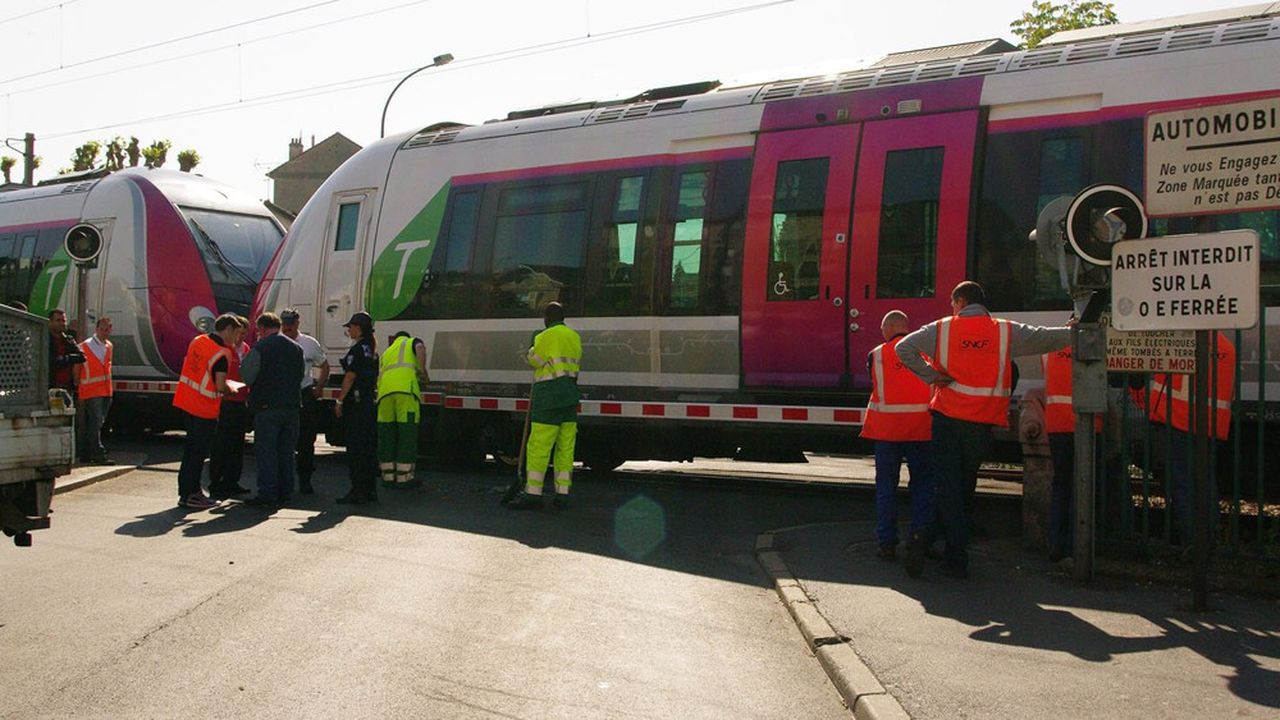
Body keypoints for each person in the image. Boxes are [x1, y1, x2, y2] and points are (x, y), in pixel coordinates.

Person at [896, 281, 1070, 579]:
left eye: (953, 304)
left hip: (946, 419)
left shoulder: (942, 329)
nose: (952, 309)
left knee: (948, 486)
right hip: (980, 424)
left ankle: (934, 540)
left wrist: (933, 376)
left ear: (960, 301)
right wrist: (1082, 332)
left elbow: (903, 348)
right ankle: (945, 549)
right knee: (962, 486)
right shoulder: (1004, 331)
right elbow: (1046, 340)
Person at [1148, 331, 1235, 540]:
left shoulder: (1183, 342)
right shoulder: (1226, 347)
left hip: (1181, 421)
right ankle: (1209, 538)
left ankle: (1194, 542)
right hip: (1210, 425)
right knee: (1205, 482)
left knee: (1183, 484)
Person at [861, 310, 934, 561]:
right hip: (921, 429)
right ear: (907, 327)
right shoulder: (926, 354)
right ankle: (919, 536)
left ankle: (886, 543)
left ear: (887, 329)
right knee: (923, 486)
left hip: (887, 431)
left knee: (886, 488)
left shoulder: (876, 355)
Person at [507, 302, 582, 511]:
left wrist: (532, 347)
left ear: (547, 317)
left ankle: (533, 494)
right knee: (565, 448)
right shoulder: (574, 337)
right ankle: (562, 494)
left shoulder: (544, 336)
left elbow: (534, 360)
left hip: (548, 397)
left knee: (539, 446)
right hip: (569, 396)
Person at [172, 314, 244, 509]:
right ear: (227, 329)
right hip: (204, 408)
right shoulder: (222, 353)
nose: (237, 338)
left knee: (190, 452)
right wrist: (232, 388)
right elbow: (220, 385)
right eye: (236, 333)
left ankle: (185, 492)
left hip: (186, 401)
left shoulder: (198, 340)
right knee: (198, 454)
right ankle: (192, 494)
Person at [240, 312, 305, 508]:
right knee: (286, 452)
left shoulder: (261, 347)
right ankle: (286, 492)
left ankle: (268, 494)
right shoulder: (296, 348)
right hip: (292, 407)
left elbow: (247, 376)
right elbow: (301, 375)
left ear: (262, 328)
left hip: (267, 407)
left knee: (267, 452)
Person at [280, 308, 329, 495]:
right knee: (284, 441)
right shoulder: (277, 341)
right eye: (284, 323)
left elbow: (324, 365)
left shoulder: (309, 343)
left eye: (291, 323)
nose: (287, 327)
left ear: (297, 323)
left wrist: (320, 387)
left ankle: (305, 480)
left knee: (306, 441)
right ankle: (285, 482)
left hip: (304, 394)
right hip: (283, 396)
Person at [334, 312, 379, 505]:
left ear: (358, 328)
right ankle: (369, 490)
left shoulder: (358, 350)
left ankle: (357, 490)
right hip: (369, 403)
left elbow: (350, 377)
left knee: (356, 450)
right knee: (368, 449)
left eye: (350, 327)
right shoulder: (372, 349)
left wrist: (340, 401)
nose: (348, 330)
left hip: (357, 405)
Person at [207, 315, 251, 499]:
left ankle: (232, 482)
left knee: (237, 445)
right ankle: (216, 482)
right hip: (224, 401)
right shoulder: (223, 349)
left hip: (240, 401)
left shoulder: (246, 349)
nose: (240, 337)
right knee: (220, 444)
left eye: (244, 334)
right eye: (239, 333)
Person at [376, 331, 427, 488]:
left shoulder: (387, 351)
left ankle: (388, 476)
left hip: (384, 395)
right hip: (405, 392)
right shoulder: (411, 341)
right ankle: (404, 478)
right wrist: (422, 371)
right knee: (407, 434)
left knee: (386, 435)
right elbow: (420, 348)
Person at [76, 316, 114, 464]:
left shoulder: (109, 346)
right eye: (102, 329)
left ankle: (86, 453)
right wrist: (77, 384)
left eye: (107, 329)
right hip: (91, 390)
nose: (105, 332)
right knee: (96, 422)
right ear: (96, 329)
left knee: (97, 423)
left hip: (106, 390)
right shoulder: (85, 346)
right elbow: (77, 368)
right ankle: (98, 454)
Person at [47, 308, 85, 394]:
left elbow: (82, 357)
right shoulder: (45, 339)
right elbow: (52, 362)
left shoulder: (68, 340)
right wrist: (67, 359)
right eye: (58, 320)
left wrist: (67, 358)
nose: (62, 323)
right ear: (50, 322)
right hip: (50, 386)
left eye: (64, 320)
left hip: (67, 387)